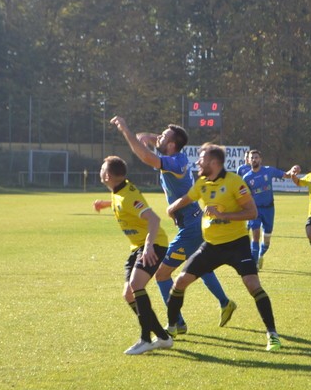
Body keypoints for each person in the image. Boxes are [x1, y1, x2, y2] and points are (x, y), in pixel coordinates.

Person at [109, 116, 236, 333]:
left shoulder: (175, 162)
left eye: (165, 135)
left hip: (191, 227)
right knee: (201, 267)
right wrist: (151, 137)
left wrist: (125, 129)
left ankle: (176, 322)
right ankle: (225, 303)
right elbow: (144, 141)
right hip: (193, 223)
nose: (160, 136)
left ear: (172, 144)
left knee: (161, 274)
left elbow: (146, 156)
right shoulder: (172, 155)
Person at [164, 143, 282, 351]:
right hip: (210, 246)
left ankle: (272, 335)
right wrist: (172, 207)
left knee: (252, 284)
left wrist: (223, 215)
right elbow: (188, 197)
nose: (198, 162)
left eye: (202, 159)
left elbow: (252, 212)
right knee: (180, 281)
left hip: (237, 245)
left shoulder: (235, 182)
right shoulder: (202, 183)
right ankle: (172, 327)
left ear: (214, 163)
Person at [92, 156, 174, 355]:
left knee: (136, 286)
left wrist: (148, 246)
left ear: (107, 175)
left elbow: (154, 219)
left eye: (102, 169)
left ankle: (146, 339)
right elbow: (119, 202)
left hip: (154, 244)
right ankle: (162, 337)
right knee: (128, 294)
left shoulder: (128, 195)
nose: (100, 171)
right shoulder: (117, 191)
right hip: (137, 247)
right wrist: (104, 203)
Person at [242, 149, 299, 269]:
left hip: (269, 209)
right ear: (248, 160)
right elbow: (243, 196)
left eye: (256, 157)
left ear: (260, 159)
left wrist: (294, 169)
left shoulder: (269, 170)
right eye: (252, 158)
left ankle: (261, 254)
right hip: (255, 210)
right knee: (256, 235)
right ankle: (254, 263)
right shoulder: (246, 178)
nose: (254, 159)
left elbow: (287, 175)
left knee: (266, 241)